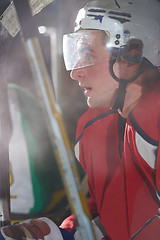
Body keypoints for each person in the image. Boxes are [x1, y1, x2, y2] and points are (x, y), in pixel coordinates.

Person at [60, 0, 160, 239]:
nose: (75, 72)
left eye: (87, 54)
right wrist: (58, 234)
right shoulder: (94, 127)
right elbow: (112, 216)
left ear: (132, 55)